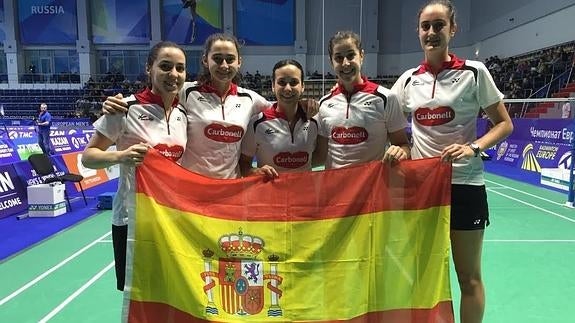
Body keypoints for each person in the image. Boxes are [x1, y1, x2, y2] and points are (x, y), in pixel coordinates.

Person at [391, 1, 513, 322]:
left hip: (464, 185)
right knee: (419, 275)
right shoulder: (406, 81)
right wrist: (400, 148)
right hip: (421, 191)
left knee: (468, 277)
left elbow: (504, 124)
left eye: (438, 25)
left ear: (452, 29)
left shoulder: (474, 73)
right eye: (425, 26)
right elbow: (386, 126)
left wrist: (474, 146)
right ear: (418, 32)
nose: (431, 32)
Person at [103, 33, 318, 179]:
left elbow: (282, 102)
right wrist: (117, 101)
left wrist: (305, 103)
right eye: (217, 58)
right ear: (206, 60)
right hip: (192, 189)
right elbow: (156, 90)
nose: (224, 65)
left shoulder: (250, 99)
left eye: (230, 59)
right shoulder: (186, 90)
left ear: (239, 62)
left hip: (230, 190)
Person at [81, 41, 188, 291]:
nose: (173, 74)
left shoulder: (183, 113)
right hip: (132, 218)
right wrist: (122, 156)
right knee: (138, 297)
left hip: (171, 218)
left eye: (180, 68)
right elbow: (88, 157)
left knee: (171, 291)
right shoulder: (125, 108)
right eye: (165, 66)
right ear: (149, 68)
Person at [314, 31, 410, 170]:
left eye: (351, 55)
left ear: (361, 56)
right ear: (331, 62)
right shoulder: (324, 103)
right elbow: (320, 156)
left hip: (371, 188)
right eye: (339, 58)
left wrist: (401, 152)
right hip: (335, 189)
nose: (345, 63)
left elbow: (403, 145)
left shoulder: (385, 98)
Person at [239, 59, 318, 178]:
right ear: (273, 86)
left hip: (305, 194)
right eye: (281, 82)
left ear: (302, 86)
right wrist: (256, 171)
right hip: (270, 195)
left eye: (293, 82)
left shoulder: (314, 120)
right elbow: (243, 165)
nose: (287, 88)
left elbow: (321, 157)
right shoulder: (257, 123)